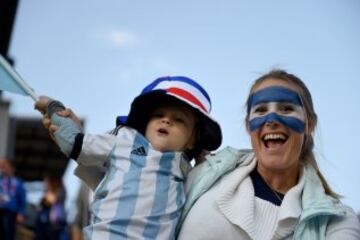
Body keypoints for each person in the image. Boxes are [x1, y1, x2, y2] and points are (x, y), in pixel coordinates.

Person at [177, 69, 360, 239]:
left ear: (308, 124)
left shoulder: (336, 221)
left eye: (286, 109)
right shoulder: (205, 175)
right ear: (249, 125)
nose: (271, 120)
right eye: (261, 110)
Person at [34, 76, 222, 239]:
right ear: (144, 124)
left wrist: (202, 159)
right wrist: (54, 107)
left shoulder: (189, 171)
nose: (166, 120)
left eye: (179, 119)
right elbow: (74, 142)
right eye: (158, 115)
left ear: (192, 141)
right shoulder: (124, 139)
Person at [34, 175, 68, 240]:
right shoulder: (49, 192)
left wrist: (47, 197)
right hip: (49, 222)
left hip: (56, 222)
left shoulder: (60, 191)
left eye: (47, 182)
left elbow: (53, 200)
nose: (45, 184)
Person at [0, 158, 27, 240]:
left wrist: (21, 212)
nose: (3, 168)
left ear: (12, 168)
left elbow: (22, 199)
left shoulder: (18, 182)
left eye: (5, 166)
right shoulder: (0, 180)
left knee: (9, 233)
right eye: (2, 167)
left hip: (11, 212)